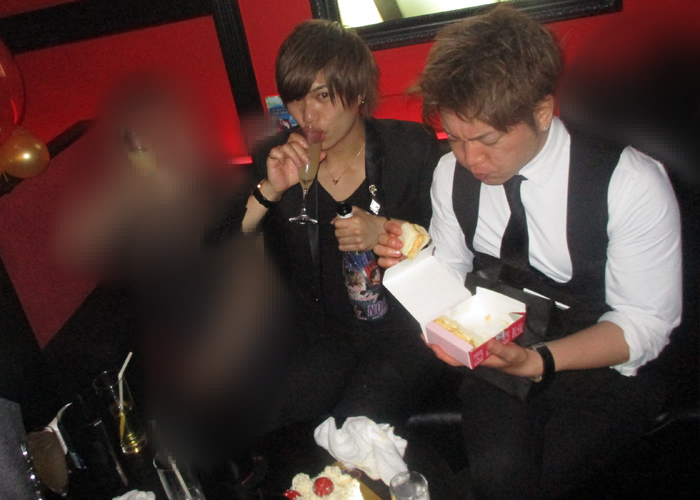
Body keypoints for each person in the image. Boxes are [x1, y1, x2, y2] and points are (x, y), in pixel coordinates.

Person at [375, 6, 682, 499]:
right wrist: (417, 273)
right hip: (498, 351)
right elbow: (451, 268)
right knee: (499, 479)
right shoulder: (450, 174)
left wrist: (538, 361)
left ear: (541, 112)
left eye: (487, 139)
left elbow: (643, 323)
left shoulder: (629, 183)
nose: (470, 158)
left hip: (602, 367)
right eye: (455, 137)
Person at [217, 19, 444, 426]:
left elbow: (449, 251)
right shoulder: (276, 156)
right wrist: (271, 188)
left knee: (354, 431)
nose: (307, 115)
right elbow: (225, 245)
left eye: (322, 96)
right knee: (256, 419)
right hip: (322, 337)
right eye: (295, 98)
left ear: (357, 92)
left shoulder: (409, 150)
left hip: (400, 334)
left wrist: (385, 231)